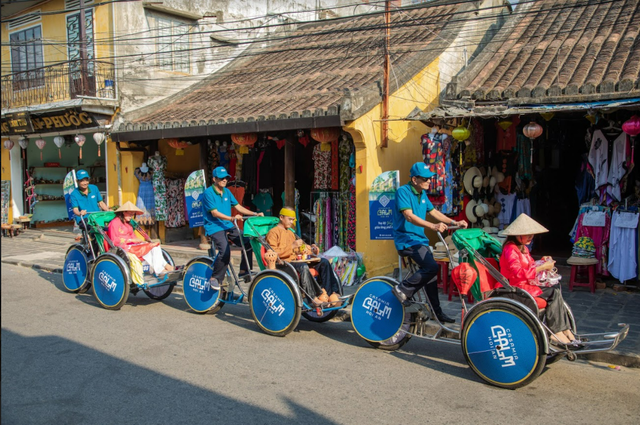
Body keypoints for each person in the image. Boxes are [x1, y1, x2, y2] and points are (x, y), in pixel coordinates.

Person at [391, 162, 468, 323]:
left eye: (429, 178)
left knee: (432, 275)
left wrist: (454, 223)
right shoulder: (402, 192)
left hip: (420, 241)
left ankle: (436, 312)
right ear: (414, 179)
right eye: (425, 178)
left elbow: (434, 213)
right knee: (431, 267)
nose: (429, 181)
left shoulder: (422, 194)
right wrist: (433, 226)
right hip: (407, 240)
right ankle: (402, 289)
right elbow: (409, 216)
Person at [499, 213, 581, 347]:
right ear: (517, 234)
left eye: (532, 234)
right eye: (528, 234)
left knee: (556, 290)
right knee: (553, 292)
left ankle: (565, 329)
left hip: (525, 284)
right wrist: (542, 267)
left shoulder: (523, 248)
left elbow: (529, 265)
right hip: (515, 287)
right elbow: (518, 273)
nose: (531, 237)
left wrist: (542, 261)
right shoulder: (510, 249)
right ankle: (557, 332)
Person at [266, 207, 341, 306]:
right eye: (290, 219)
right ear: (281, 217)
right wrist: (292, 246)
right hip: (284, 264)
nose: (292, 222)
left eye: (293, 220)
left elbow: (299, 249)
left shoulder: (291, 233)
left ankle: (330, 293)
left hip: (296, 261)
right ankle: (312, 298)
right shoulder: (273, 232)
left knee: (324, 262)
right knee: (303, 266)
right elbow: (273, 252)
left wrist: (311, 250)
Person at [203, 166, 263, 290]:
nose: (224, 180)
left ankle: (244, 270)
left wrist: (254, 214)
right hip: (214, 227)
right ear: (214, 179)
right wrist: (231, 218)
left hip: (228, 225)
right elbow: (214, 213)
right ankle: (215, 278)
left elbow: (238, 207)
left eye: (226, 178)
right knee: (225, 250)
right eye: (221, 178)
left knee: (249, 241)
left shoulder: (227, 192)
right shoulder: (208, 193)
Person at [106, 201, 174, 279]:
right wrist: (129, 240)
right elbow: (114, 240)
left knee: (155, 246)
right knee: (151, 247)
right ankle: (160, 270)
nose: (131, 216)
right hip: (123, 248)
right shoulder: (114, 223)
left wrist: (142, 241)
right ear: (123, 212)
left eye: (132, 215)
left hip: (132, 246)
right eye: (129, 214)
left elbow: (133, 236)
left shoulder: (128, 224)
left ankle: (165, 266)